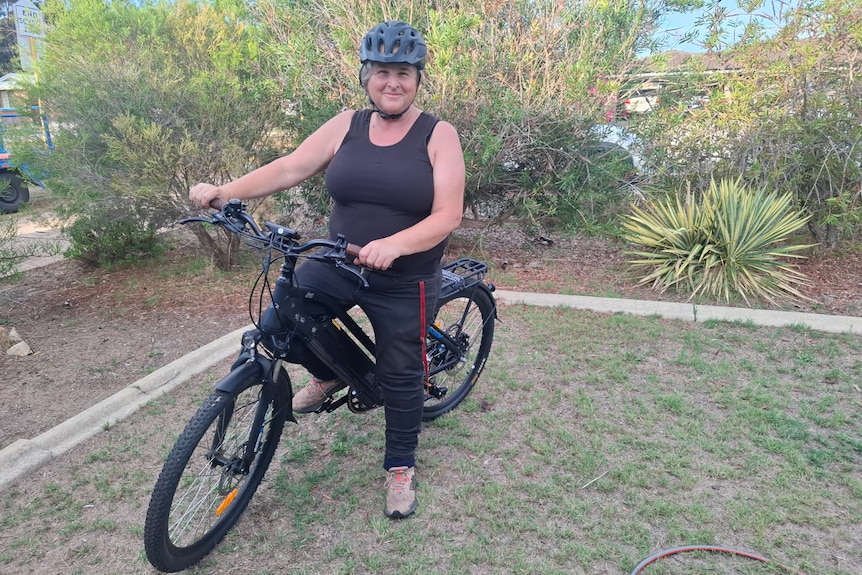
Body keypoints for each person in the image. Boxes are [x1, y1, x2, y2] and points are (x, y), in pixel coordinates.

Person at [189, 20, 465, 519]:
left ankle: (400, 466)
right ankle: (328, 374)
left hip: (404, 275)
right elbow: (292, 166)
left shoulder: (438, 134)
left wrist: (394, 245)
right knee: (281, 320)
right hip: (340, 258)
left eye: (403, 73)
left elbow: (447, 214)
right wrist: (226, 191)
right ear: (366, 76)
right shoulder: (347, 124)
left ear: (418, 79)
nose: (393, 83)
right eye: (382, 72)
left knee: (401, 371)